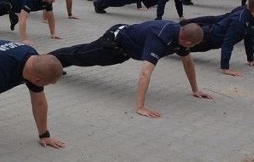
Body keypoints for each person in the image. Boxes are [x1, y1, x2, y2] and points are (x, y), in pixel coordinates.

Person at [50, 20, 212, 117]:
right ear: (188, 42)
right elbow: (145, 73)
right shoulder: (160, 38)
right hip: (113, 43)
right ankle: (47, 62)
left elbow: (188, 62)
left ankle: (54, 64)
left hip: (123, 52)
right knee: (81, 55)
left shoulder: (180, 37)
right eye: (194, 45)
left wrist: (195, 89)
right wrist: (140, 107)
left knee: (81, 56)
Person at [181, 0, 254, 77]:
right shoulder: (240, 22)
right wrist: (225, 68)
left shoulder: (253, 18)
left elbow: (249, 38)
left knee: (181, 48)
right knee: (180, 47)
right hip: (206, 38)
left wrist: (251, 60)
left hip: (212, 40)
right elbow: (227, 43)